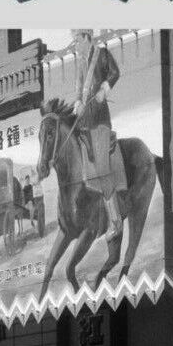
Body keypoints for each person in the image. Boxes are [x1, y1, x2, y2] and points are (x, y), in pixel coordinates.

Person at [70, 28, 124, 240]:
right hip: (85, 121)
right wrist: (77, 102)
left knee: (102, 169)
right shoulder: (81, 61)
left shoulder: (102, 54)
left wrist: (104, 89)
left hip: (100, 119)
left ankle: (116, 221)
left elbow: (115, 73)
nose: (75, 44)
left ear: (86, 38)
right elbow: (78, 89)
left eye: (77, 40)